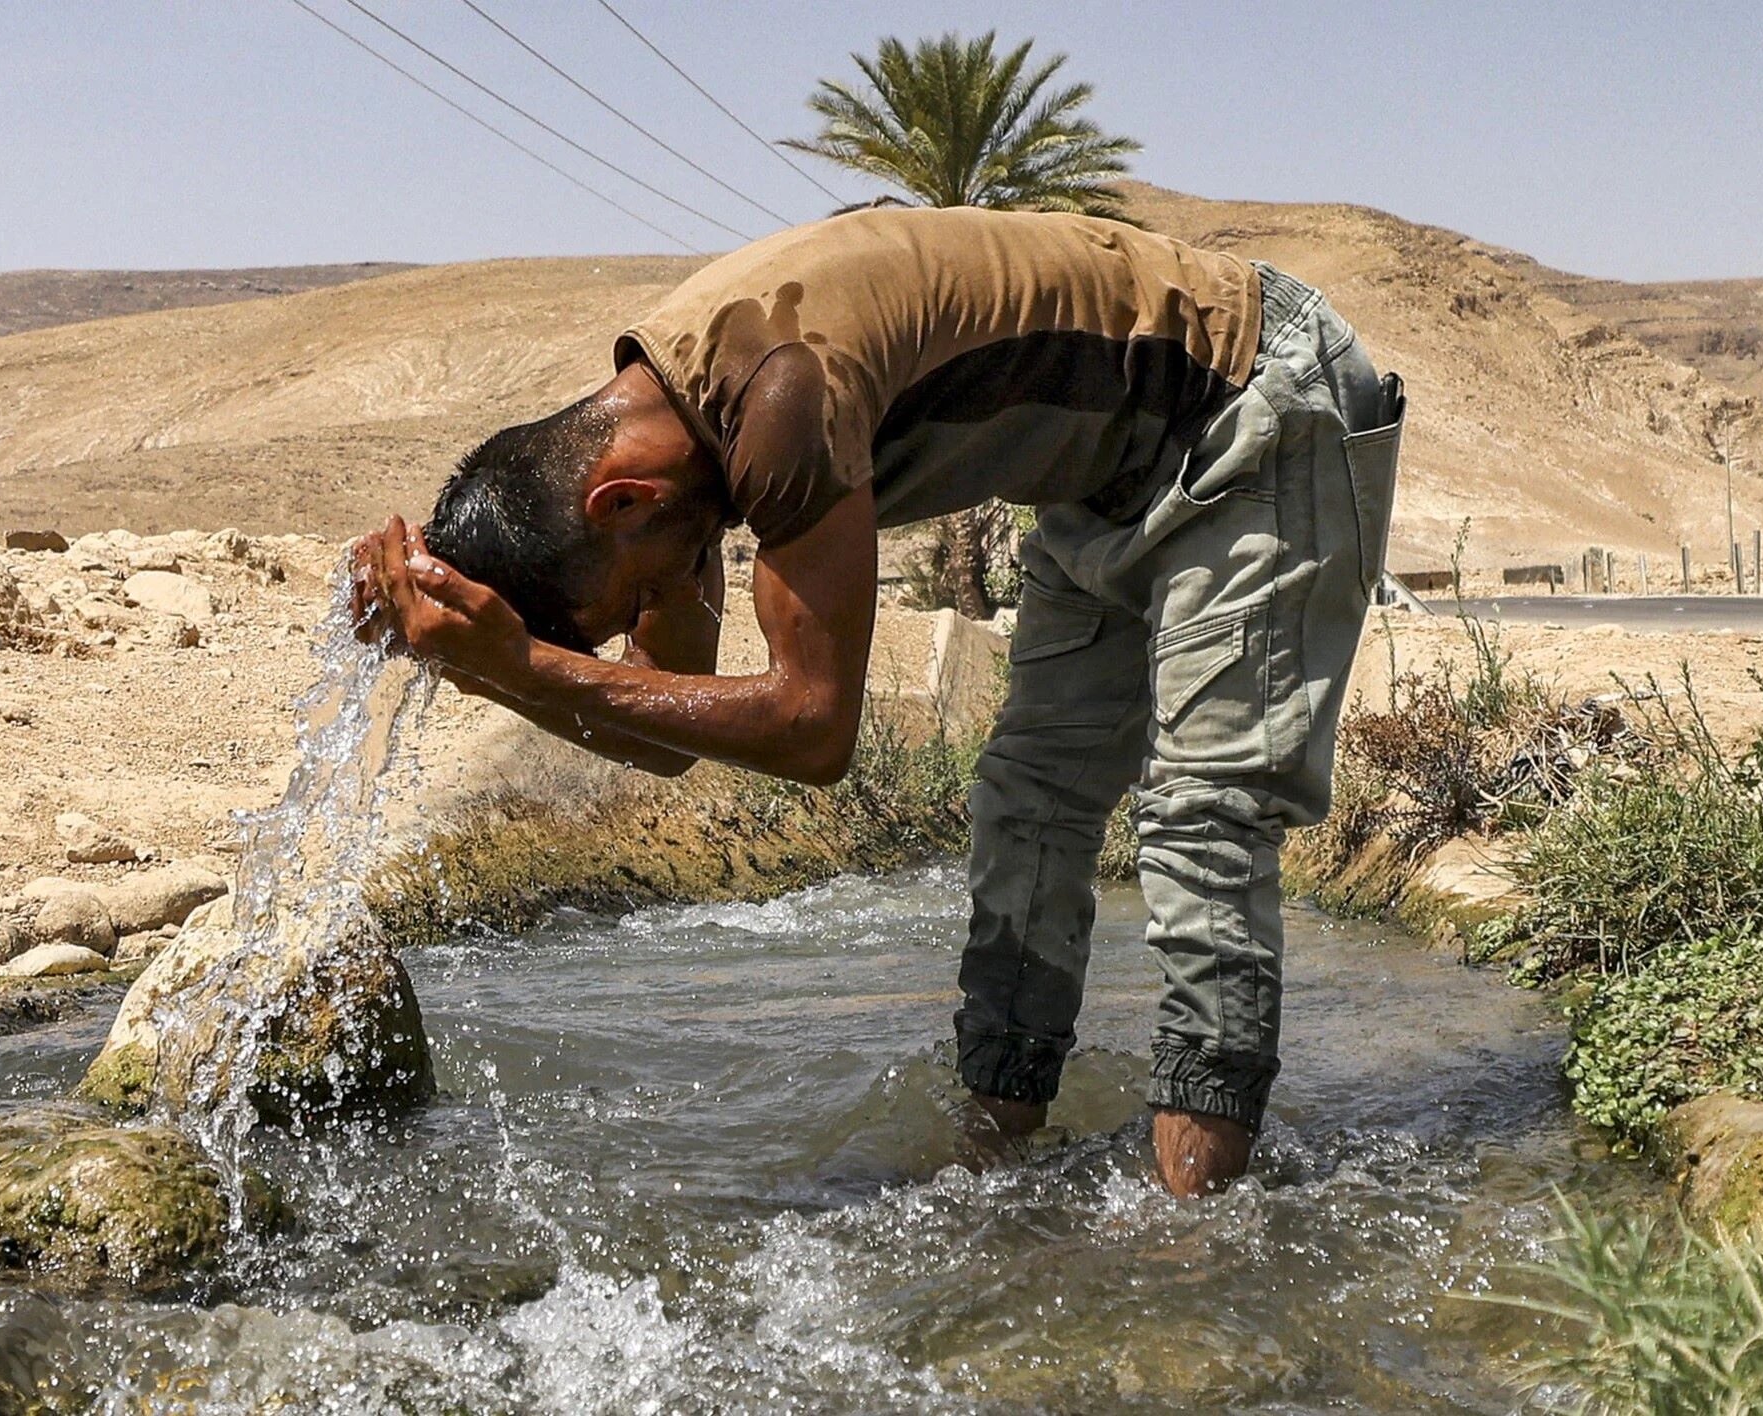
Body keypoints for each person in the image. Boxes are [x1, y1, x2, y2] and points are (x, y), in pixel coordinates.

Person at [354, 206, 1402, 1197]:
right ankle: (990, 1167)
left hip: (1255, 400)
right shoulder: (665, 434)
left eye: (635, 598)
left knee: (1202, 822)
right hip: (1106, 478)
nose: (656, 616)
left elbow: (812, 732)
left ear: (619, 502)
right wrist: (450, 646)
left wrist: (521, 669)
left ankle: (1199, 1240)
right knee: (1028, 805)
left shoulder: (776, 399)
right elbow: (674, 729)